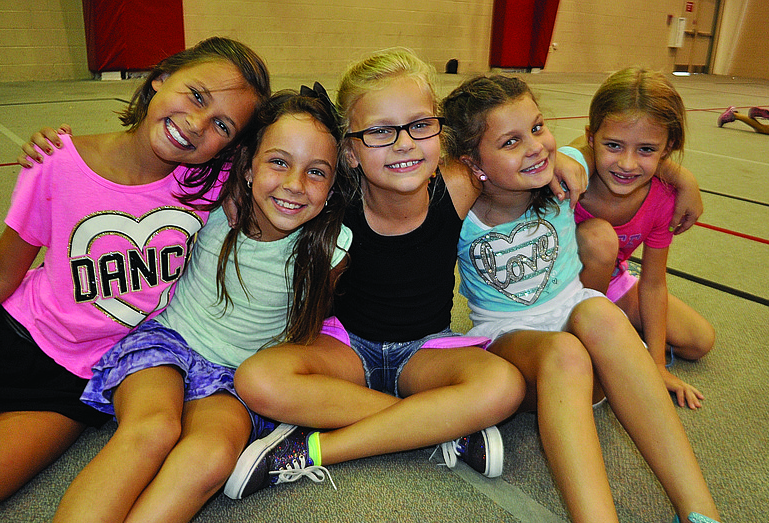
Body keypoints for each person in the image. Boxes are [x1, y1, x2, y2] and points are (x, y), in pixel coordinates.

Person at [223, 48, 587, 499]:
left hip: (426, 350)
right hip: (346, 347)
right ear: (350, 152)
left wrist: (570, 156)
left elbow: (529, 155)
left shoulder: (459, 184)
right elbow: (268, 165)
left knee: (502, 385)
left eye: (419, 125)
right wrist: (232, 188)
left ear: (439, 130)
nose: (404, 143)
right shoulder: (332, 199)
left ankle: (316, 448)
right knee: (257, 378)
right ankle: (436, 423)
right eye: (379, 131)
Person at [36, 87, 352, 523]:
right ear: (246, 168)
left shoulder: (333, 246)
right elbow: (136, 166)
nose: (294, 184)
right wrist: (57, 147)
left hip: (233, 379)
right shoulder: (212, 202)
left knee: (210, 459)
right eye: (278, 162)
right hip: (167, 344)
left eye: (316, 172)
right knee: (152, 430)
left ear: (331, 188)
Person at [442, 74, 745, 523]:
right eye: (511, 141)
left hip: (580, 329)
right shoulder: (461, 211)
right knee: (564, 352)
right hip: (512, 347)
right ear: (472, 163)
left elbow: (621, 145)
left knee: (602, 312)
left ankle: (699, 519)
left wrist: (683, 178)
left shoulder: (568, 167)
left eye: (538, 128)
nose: (537, 148)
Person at [0, 37, 269, 513]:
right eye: (196, 95)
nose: (197, 124)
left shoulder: (216, 187)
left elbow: (293, 165)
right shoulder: (56, 163)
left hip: (74, 384)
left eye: (222, 124)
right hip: (13, 334)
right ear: (159, 78)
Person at [569, 67, 714, 410]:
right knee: (599, 237)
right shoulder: (574, 178)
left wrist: (657, 365)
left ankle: (614, 333)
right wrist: (682, 175)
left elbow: (653, 284)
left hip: (608, 282)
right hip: (555, 284)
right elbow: (568, 152)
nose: (627, 163)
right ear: (591, 138)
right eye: (613, 145)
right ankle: (587, 339)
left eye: (647, 149)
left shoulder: (663, 198)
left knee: (699, 341)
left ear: (667, 149)